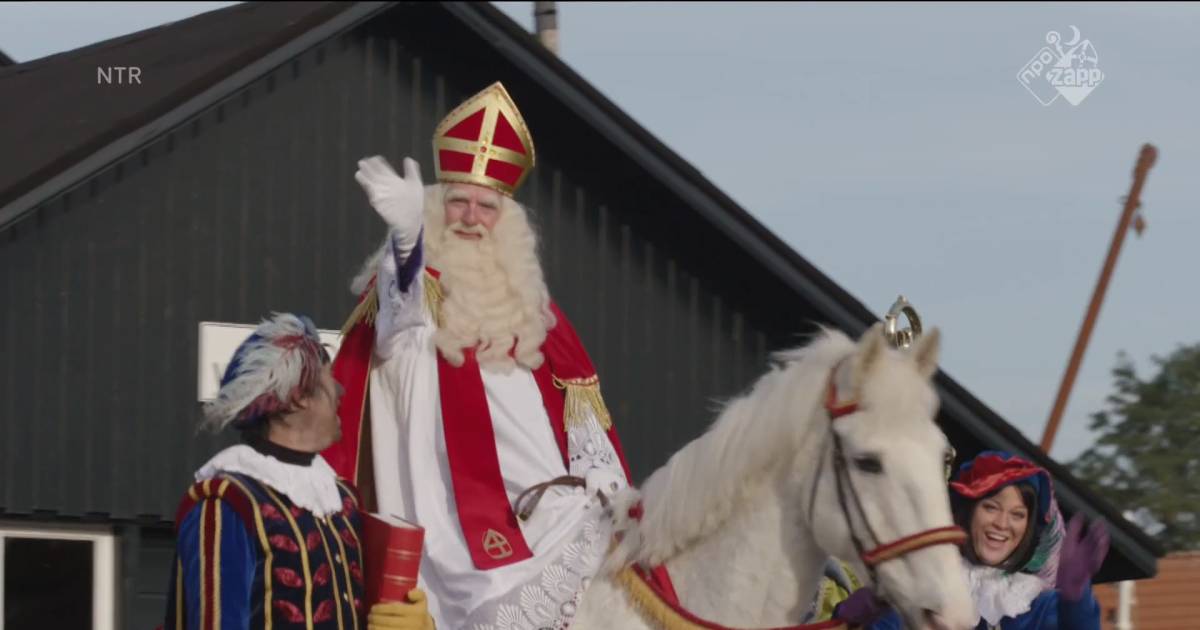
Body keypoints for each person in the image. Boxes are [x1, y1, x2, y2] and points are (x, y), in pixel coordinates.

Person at [321, 82, 635, 629]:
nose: (469, 217)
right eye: (456, 202)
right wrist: (405, 238)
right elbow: (399, 309)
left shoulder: (541, 318)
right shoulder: (418, 306)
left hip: (549, 519)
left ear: (508, 220)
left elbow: (589, 439)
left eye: (486, 206)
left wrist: (607, 495)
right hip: (453, 537)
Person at [162, 312, 433, 630]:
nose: (341, 391)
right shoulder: (227, 503)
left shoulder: (342, 499)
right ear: (298, 398)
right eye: (329, 380)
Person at [834, 450, 1109, 630]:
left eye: (1017, 514)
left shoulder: (1034, 605)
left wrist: (1077, 596)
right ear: (967, 514)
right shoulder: (922, 591)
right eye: (991, 507)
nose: (1002, 523)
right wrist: (858, 615)